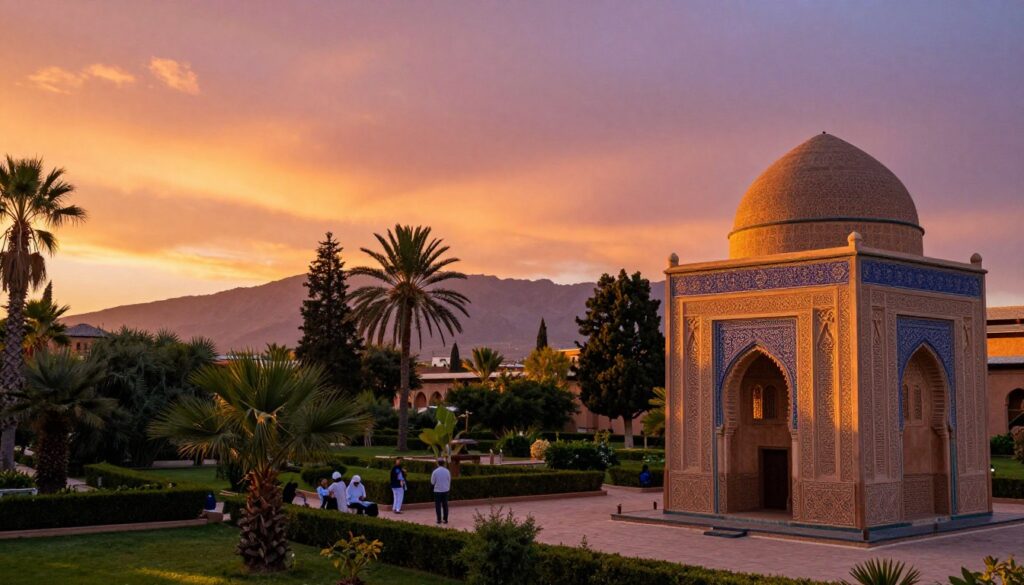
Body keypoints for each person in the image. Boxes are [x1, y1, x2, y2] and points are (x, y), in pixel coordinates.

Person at [430, 458, 451, 525]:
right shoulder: (447, 471)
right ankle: (446, 519)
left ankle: (439, 519)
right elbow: (449, 480)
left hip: (437, 491)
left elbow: (432, 482)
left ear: (437, 463)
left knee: (438, 506)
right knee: (445, 505)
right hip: (445, 490)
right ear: (444, 463)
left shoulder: (435, 472)